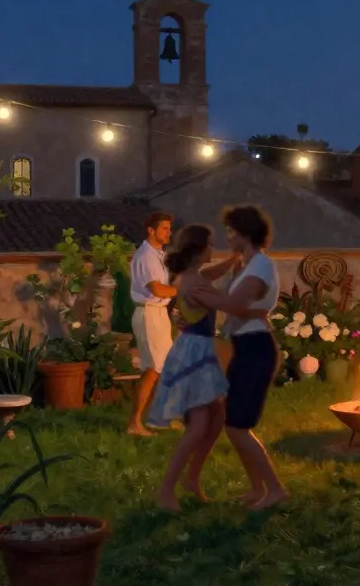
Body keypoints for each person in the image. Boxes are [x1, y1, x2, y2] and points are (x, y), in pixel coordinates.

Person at [191, 204, 289, 510]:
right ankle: (257, 487)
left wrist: (197, 295)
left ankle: (275, 490)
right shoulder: (244, 265)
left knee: (237, 425)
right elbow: (216, 287)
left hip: (257, 349)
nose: (227, 236)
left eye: (232, 231)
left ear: (246, 233)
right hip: (244, 347)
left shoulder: (260, 266)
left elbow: (232, 303)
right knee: (232, 422)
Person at [149, 225, 232, 511]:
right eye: (209, 245)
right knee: (198, 424)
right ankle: (167, 489)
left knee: (217, 415)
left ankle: (191, 477)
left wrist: (236, 259)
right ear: (198, 250)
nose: (213, 250)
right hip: (194, 353)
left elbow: (214, 273)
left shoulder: (193, 276)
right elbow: (224, 302)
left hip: (199, 349)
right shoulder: (192, 282)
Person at [128, 212, 178, 437]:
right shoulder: (146, 256)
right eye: (165, 228)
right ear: (151, 230)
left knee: (164, 368)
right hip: (149, 314)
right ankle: (135, 423)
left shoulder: (158, 255)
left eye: (169, 228)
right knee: (154, 369)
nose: (169, 232)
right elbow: (157, 289)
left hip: (158, 313)